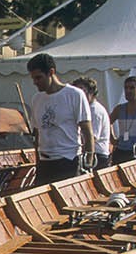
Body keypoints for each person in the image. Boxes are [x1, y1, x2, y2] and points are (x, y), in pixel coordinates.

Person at [25, 53, 94, 185]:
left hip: (68, 161)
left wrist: (89, 162)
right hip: (44, 163)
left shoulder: (74, 95)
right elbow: (37, 133)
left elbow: (87, 131)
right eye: (33, 78)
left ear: (51, 72)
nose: (35, 82)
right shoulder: (37, 99)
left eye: (39, 77)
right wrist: (37, 161)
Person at [79, 77, 113, 168]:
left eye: (82, 92)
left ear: (91, 92)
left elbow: (92, 138)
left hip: (97, 156)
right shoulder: (88, 109)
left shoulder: (94, 111)